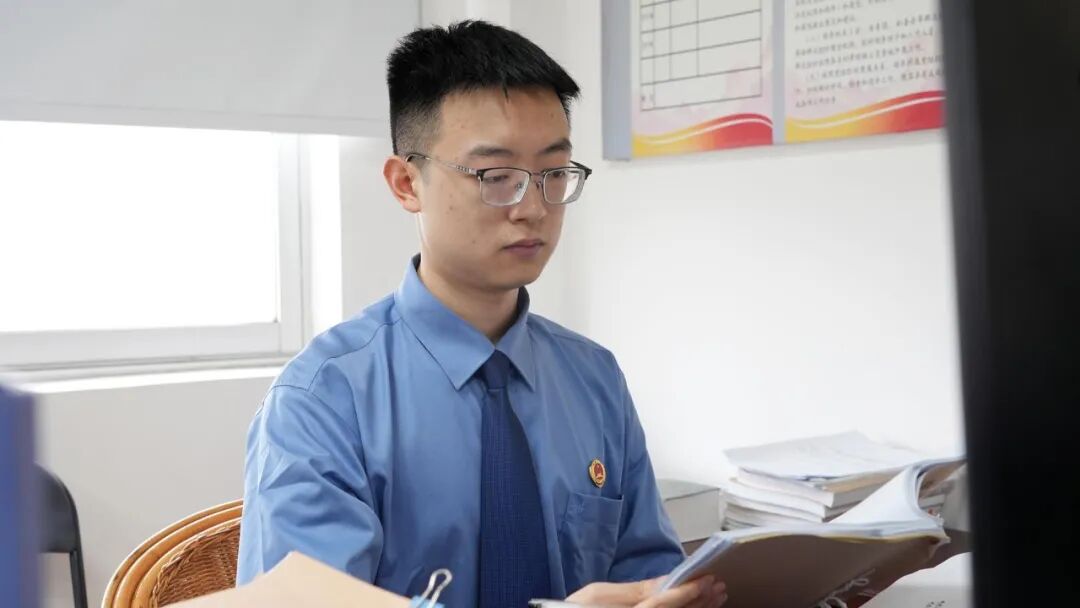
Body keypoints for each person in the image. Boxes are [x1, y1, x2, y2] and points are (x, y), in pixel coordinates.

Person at [237, 20, 727, 608]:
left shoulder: (593, 378)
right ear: (406, 183)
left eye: (554, 174)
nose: (533, 208)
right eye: (497, 177)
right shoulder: (322, 401)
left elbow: (650, 576)